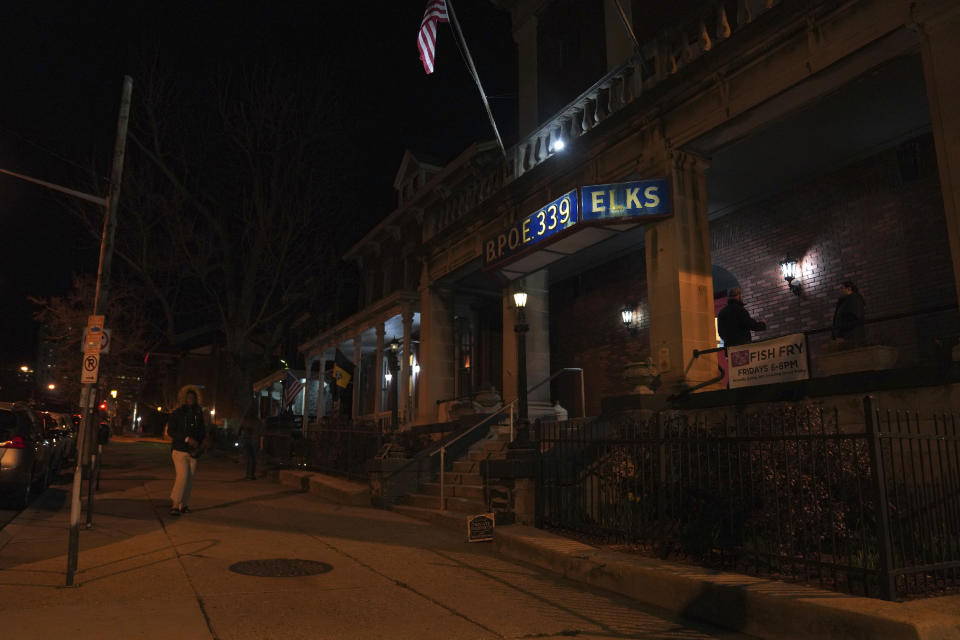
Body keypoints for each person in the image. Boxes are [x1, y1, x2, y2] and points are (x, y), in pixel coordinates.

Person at [165, 389, 207, 516]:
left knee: (190, 479)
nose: (190, 400)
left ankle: (184, 504)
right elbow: (171, 431)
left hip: (193, 451)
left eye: (193, 398)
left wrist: (201, 441)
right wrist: (187, 439)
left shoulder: (198, 414)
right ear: (183, 399)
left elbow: (202, 430)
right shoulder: (177, 413)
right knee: (182, 477)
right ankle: (174, 504)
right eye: (188, 398)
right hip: (179, 450)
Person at [238, 406, 264, 480]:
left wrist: (241, 438)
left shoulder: (245, 420)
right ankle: (251, 474)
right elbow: (261, 433)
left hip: (246, 440)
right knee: (253, 458)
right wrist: (261, 444)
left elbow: (240, 430)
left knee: (249, 457)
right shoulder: (258, 421)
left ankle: (248, 474)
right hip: (254, 441)